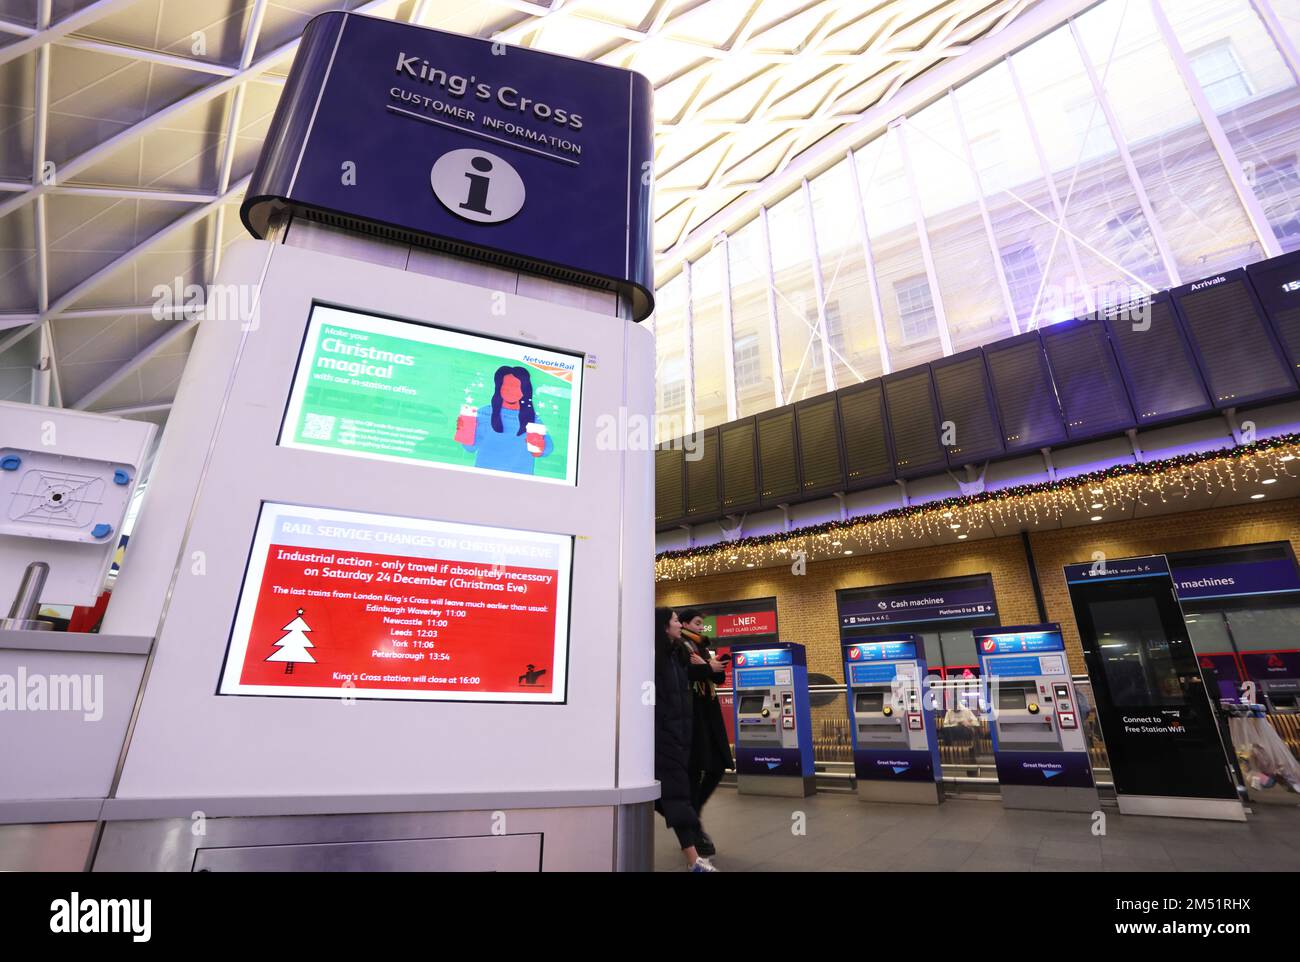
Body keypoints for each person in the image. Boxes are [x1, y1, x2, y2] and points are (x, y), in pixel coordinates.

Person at [653, 607, 717, 872]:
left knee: (668, 797)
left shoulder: (679, 654)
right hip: (662, 736)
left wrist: (708, 668)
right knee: (677, 796)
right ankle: (694, 860)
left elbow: (695, 683)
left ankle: (694, 853)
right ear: (664, 626)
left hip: (681, 736)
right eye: (676, 620)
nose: (680, 625)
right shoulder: (653, 656)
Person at [680, 610, 732, 858]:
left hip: (709, 713)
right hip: (694, 715)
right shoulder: (680, 645)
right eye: (698, 623)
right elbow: (684, 673)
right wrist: (707, 668)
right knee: (695, 769)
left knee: (718, 764)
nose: (702, 627)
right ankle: (692, 826)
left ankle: (692, 815)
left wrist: (713, 666)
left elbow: (718, 677)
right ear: (684, 624)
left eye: (703, 623)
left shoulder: (702, 648)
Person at [458, 365, 554, 475]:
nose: (510, 391)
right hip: (484, 477)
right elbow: (469, 448)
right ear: (499, 388)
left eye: (515, 387)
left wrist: (539, 445)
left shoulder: (532, 419)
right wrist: (464, 429)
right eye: (506, 387)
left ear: (524, 389)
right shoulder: (484, 413)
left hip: (519, 482)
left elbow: (546, 450)